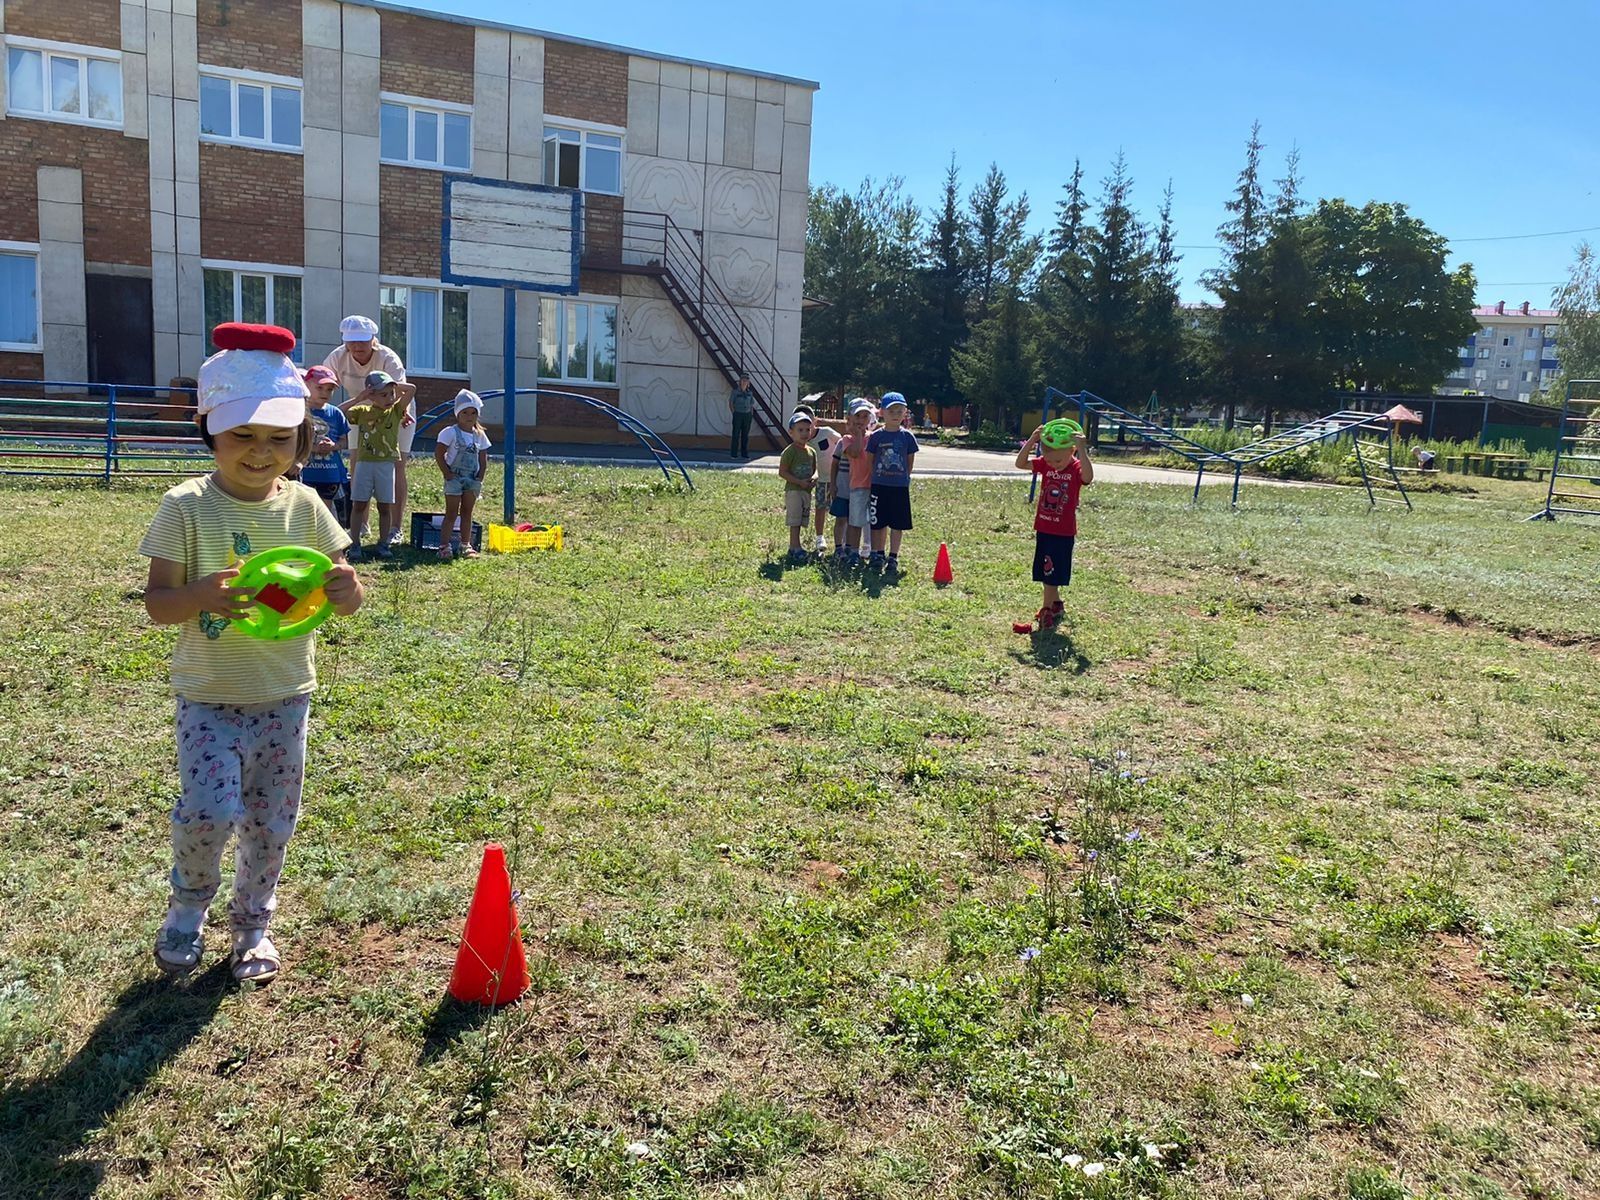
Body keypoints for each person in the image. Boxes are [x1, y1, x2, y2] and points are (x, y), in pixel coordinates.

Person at [140, 322, 363, 984]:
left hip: (286, 699)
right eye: (242, 435)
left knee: (271, 823)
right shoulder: (185, 508)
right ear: (210, 429)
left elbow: (342, 593)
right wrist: (201, 595)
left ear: (300, 441)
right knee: (207, 812)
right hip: (209, 699)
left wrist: (349, 589)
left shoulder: (307, 506)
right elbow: (157, 605)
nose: (260, 453)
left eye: (278, 438)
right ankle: (187, 909)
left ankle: (253, 924)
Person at [323, 316, 411, 547]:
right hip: (360, 409)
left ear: (373, 340)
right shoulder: (338, 357)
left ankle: (395, 528)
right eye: (351, 342)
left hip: (395, 410)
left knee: (395, 464)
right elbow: (323, 381)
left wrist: (403, 411)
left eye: (362, 341)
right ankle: (361, 524)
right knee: (357, 461)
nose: (357, 347)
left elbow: (402, 389)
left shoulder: (387, 357)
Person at [1013, 421, 1094, 633]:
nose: (1054, 464)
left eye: (1058, 459)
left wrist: (1083, 450)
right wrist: (1032, 441)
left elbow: (1088, 477)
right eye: (1049, 459)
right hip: (1044, 528)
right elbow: (1020, 464)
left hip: (1063, 532)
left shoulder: (1076, 466)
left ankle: (1046, 609)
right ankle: (1056, 604)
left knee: (1051, 573)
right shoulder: (1046, 464)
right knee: (1047, 571)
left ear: (1072, 450)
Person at [344, 371, 414, 560]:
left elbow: (412, 389)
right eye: (383, 395)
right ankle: (355, 544)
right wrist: (359, 398)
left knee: (385, 507)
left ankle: (383, 544)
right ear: (371, 395)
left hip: (386, 465)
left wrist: (393, 385)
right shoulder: (362, 412)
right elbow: (339, 412)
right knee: (359, 504)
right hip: (364, 464)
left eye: (391, 394)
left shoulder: (396, 411)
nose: (390, 398)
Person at [434, 388, 491, 561]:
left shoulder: (479, 436)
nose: (469, 416)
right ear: (458, 414)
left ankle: (465, 545)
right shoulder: (450, 432)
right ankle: (444, 546)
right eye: (465, 412)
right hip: (454, 478)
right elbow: (439, 453)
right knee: (451, 513)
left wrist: (480, 476)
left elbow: (483, 457)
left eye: (473, 413)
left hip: (471, 479)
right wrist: (447, 473)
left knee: (467, 513)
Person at [866, 392, 918, 573]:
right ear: (882, 413)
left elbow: (909, 461)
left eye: (900, 411)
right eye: (891, 411)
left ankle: (893, 557)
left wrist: (904, 477)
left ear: (905, 413)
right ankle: (878, 554)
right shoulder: (876, 437)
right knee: (878, 523)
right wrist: (878, 476)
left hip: (899, 487)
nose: (896, 415)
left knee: (897, 524)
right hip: (879, 486)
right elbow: (870, 460)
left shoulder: (907, 437)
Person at [298, 365, 350, 524]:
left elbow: (345, 441)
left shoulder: (335, 413)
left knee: (325, 515)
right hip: (306, 472)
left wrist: (333, 446)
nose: (324, 393)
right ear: (307, 386)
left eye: (329, 389)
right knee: (304, 513)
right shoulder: (300, 411)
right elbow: (293, 442)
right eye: (319, 387)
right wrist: (314, 448)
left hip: (330, 473)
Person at [796, 403, 843, 556]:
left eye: (808, 422)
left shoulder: (827, 433)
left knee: (841, 510)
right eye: (800, 425)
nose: (805, 429)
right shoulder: (802, 443)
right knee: (820, 508)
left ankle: (842, 541)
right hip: (821, 480)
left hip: (838, 477)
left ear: (815, 421)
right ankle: (819, 537)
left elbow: (842, 443)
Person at [840, 399, 876, 565]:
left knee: (873, 521)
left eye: (864, 416)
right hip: (858, 486)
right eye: (857, 416)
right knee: (855, 521)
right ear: (849, 418)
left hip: (874, 485)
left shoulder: (875, 437)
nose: (861, 419)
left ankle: (872, 549)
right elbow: (854, 453)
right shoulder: (847, 439)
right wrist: (860, 435)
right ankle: (853, 550)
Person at [777, 411, 816, 565]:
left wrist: (814, 477)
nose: (805, 433)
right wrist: (799, 482)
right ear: (791, 432)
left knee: (801, 520)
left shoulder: (811, 451)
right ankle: (794, 547)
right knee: (794, 520)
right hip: (794, 490)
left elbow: (815, 469)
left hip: (806, 490)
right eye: (800, 430)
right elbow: (782, 472)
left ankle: (796, 546)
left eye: (807, 429)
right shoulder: (790, 451)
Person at [729, 373, 756, 459]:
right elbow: (731, 403)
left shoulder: (750, 393)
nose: (744, 382)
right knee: (736, 434)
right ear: (740, 382)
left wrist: (751, 414)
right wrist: (734, 413)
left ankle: (744, 453)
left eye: (746, 381)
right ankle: (734, 454)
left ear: (748, 383)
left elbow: (751, 404)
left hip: (747, 415)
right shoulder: (735, 392)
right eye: (743, 380)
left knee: (745, 435)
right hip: (738, 414)